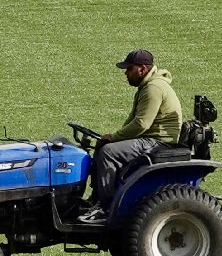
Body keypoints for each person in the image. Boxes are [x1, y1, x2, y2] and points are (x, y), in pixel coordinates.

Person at [78, 49, 183, 223]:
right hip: (151, 139)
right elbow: (132, 122)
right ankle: (95, 199)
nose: (126, 73)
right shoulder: (147, 86)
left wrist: (114, 137)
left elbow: (142, 124)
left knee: (108, 153)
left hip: (158, 143)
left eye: (129, 69)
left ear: (142, 69)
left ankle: (106, 207)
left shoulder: (154, 88)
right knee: (104, 146)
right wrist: (112, 137)